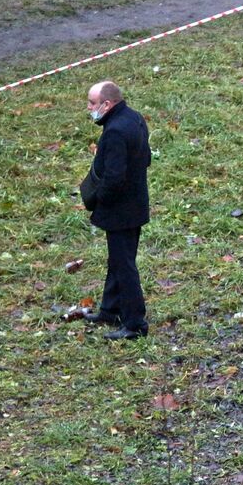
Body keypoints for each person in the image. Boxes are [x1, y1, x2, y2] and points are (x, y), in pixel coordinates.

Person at [82, 80, 151, 340]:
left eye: (92, 103)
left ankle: (135, 324)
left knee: (124, 266)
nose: (89, 108)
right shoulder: (134, 118)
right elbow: (146, 158)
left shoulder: (114, 132)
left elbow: (113, 177)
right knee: (118, 260)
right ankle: (110, 310)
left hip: (120, 211)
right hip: (136, 203)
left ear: (107, 104)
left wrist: (98, 200)